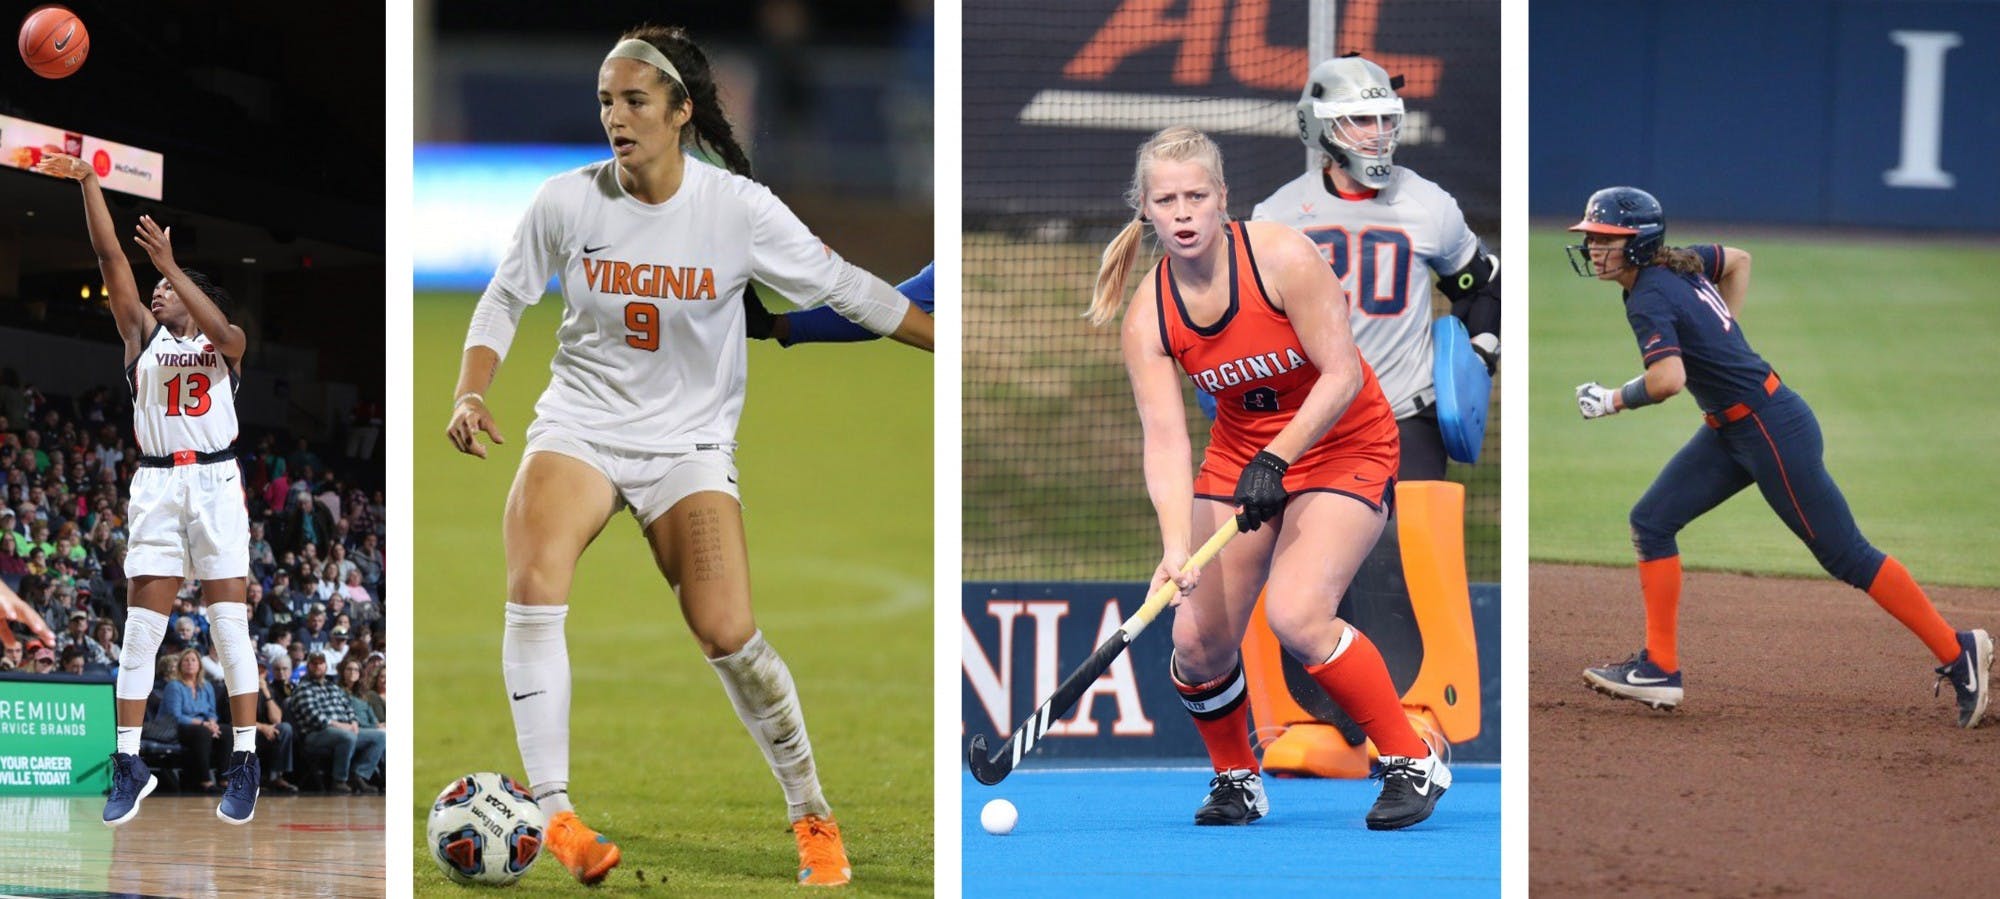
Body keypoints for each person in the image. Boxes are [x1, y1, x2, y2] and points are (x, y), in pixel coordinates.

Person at [440, 25, 932, 887]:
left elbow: (849, 288)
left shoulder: (738, 209)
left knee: (728, 632)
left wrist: (939, 337)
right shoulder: (566, 200)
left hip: (689, 446)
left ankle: (811, 813)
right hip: (581, 425)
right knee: (534, 588)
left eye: (635, 100)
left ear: (681, 112)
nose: (616, 117)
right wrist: (469, 392)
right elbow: (504, 297)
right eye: (606, 101)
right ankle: (557, 814)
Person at [1087, 125, 1450, 830]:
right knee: (1196, 641)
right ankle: (1237, 778)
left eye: (1197, 196)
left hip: (1345, 443)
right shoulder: (1149, 317)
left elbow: (1342, 374)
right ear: (1146, 209)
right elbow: (1165, 440)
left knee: (1296, 613)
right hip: (1241, 458)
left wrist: (1277, 459)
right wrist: (1174, 547)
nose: (1184, 213)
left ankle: (1412, 759)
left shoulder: (1282, 257)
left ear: (1223, 197)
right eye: (1167, 200)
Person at [1566, 187, 1992, 728]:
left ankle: (1958, 651)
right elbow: (1738, 260)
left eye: (1606, 238)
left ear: (1639, 243)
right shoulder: (1680, 261)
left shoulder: (1650, 294)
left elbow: (1668, 380)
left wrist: (1611, 400)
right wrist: (1723, 334)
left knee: (1847, 554)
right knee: (1651, 521)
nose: (1594, 248)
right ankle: (1659, 668)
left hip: (1769, 429)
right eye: (1592, 238)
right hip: (1734, 428)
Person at [35, 149, 263, 826]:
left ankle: (245, 759)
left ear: (193, 294)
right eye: (157, 285)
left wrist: (173, 266)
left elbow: (224, 329)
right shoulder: (142, 336)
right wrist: (89, 182)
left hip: (216, 479)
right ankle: (130, 763)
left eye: (167, 287)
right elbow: (110, 258)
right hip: (159, 482)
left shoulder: (224, 342)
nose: (157, 292)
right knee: (140, 633)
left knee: (229, 628)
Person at [1252, 55, 1499, 479]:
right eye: (1362, 119)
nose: (1379, 133)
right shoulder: (1278, 216)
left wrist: (1479, 351)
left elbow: (1481, 285)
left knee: (1420, 525)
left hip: (1406, 414)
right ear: (1321, 125)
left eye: (1386, 118)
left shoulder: (1427, 203)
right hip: (1310, 420)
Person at [286, 651, 383, 794]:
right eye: (314, 664)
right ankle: (339, 781)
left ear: (325, 666)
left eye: (321, 663)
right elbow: (314, 717)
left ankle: (358, 775)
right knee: (347, 737)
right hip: (316, 734)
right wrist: (339, 725)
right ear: (308, 666)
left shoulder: (333, 687)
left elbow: (348, 708)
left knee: (380, 737)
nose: (318, 667)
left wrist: (353, 722)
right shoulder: (303, 689)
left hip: (344, 730)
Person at [161, 648, 222, 793]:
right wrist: (204, 724)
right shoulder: (174, 686)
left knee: (226, 731)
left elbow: (212, 711)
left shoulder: (207, 686)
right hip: (177, 727)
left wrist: (213, 724)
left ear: (199, 665)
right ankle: (205, 781)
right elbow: (175, 716)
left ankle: (224, 780)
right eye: (186, 660)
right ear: (180, 665)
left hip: (203, 726)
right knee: (202, 732)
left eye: (193, 660)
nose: (190, 663)